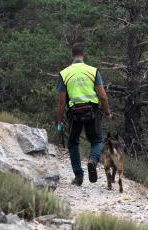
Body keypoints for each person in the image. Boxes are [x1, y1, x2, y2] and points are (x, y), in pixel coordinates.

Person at [56, 43, 112, 186]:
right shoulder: (93, 71)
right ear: (83, 55)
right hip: (92, 112)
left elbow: (61, 102)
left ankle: (79, 176)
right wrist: (107, 112)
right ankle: (93, 160)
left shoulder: (64, 73)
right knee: (97, 140)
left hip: (74, 114)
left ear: (72, 55)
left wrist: (59, 123)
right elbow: (103, 96)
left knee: (73, 142)